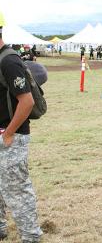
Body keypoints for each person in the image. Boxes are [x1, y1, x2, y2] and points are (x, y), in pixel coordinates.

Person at [0, 12, 43, 243]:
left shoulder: (9, 60)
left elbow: (27, 102)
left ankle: (31, 236)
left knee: (17, 189)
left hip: (11, 136)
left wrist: (8, 134)